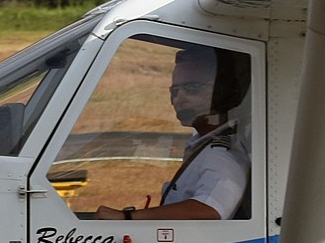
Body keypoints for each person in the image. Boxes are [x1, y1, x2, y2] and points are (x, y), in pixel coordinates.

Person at [96, 46, 251, 221]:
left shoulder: (221, 154)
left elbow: (211, 210)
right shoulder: (202, 146)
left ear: (222, 93)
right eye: (174, 92)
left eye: (192, 88)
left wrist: (127, 217)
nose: (179, 99)